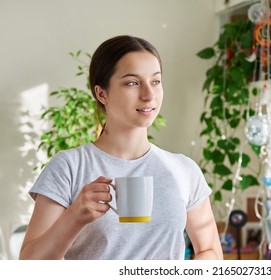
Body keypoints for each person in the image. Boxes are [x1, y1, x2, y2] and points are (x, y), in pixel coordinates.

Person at [19, 35, 223, 260]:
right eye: (132, 83)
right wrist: (74, 217)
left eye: (155, 81)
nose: (148, 95)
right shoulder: (69, 167)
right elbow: (29, 265)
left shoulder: (184, 170)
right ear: (101, 93)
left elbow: (210, 251)